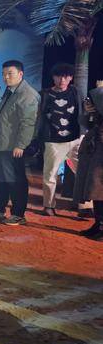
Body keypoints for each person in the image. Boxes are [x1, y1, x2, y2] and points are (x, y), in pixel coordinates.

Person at [0, 60, 40, 225]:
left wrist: (21, 145)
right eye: (4, 74)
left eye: (10, 74)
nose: (6, 77)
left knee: (15, 180)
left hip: (12, 145)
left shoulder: (28, 95)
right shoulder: (10, 90)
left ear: (20, 74)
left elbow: (29, 123)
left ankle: (18, 214)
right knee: (0, 178)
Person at [34, 63, 90, 216]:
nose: (62, 80)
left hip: (76, 140)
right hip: (53, 141)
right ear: (53, 77)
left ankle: (85, 206)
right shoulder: (44, 94)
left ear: (71, 78)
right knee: (50, 175)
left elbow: (84, 111)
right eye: (59, 76)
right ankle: (48, 206)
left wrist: (84, 134)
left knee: (83, 172)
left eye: (66, 77)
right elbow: (37, 115)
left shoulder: (76, 92)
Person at [75, 85, 103, 240]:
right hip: (95, 157)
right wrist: (89, 112)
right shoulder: (98, 115)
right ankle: (98, 224)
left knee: (100, 191)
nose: (90, 103)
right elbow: (85, 123)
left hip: (100, 161)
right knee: (96, 192)